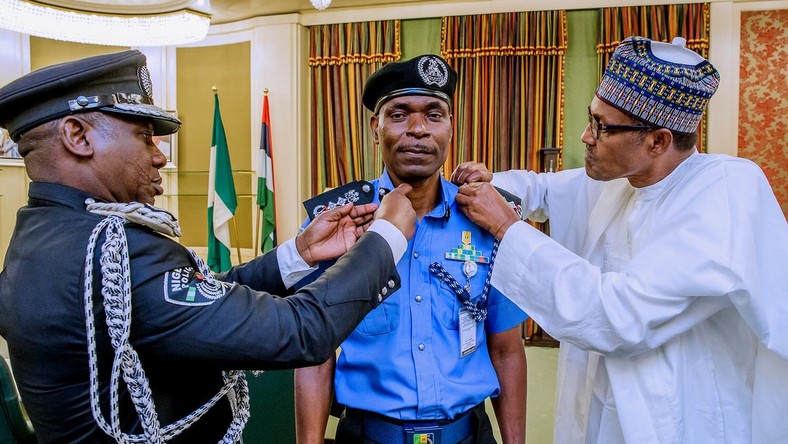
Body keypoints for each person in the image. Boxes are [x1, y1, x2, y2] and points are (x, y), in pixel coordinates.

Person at [0, 50, 417, 443]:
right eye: (145, 136)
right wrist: (386, 237)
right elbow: (299, 330)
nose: (160, 156)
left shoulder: (43, 234)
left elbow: (194, 304)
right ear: (77, 135)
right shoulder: (117, 250)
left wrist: (299, 255)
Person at [451, 36, 788, 443]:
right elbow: (540, 190)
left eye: (602, 127)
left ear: (658, 140)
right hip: (600, 408)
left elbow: (619, 317)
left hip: (682, 418)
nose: (585, 137)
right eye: (590, 118)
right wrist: (484, 186)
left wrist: (506, 228)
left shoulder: (726, 192)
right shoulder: (624, 180)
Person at [294, 54, 528, 444]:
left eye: (434, 114)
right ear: (376, 127)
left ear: (451, 127)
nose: (418, 129)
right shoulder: (335, 224)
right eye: (400, 114)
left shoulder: (489, 220)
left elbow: (507, 349)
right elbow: (316, 356)